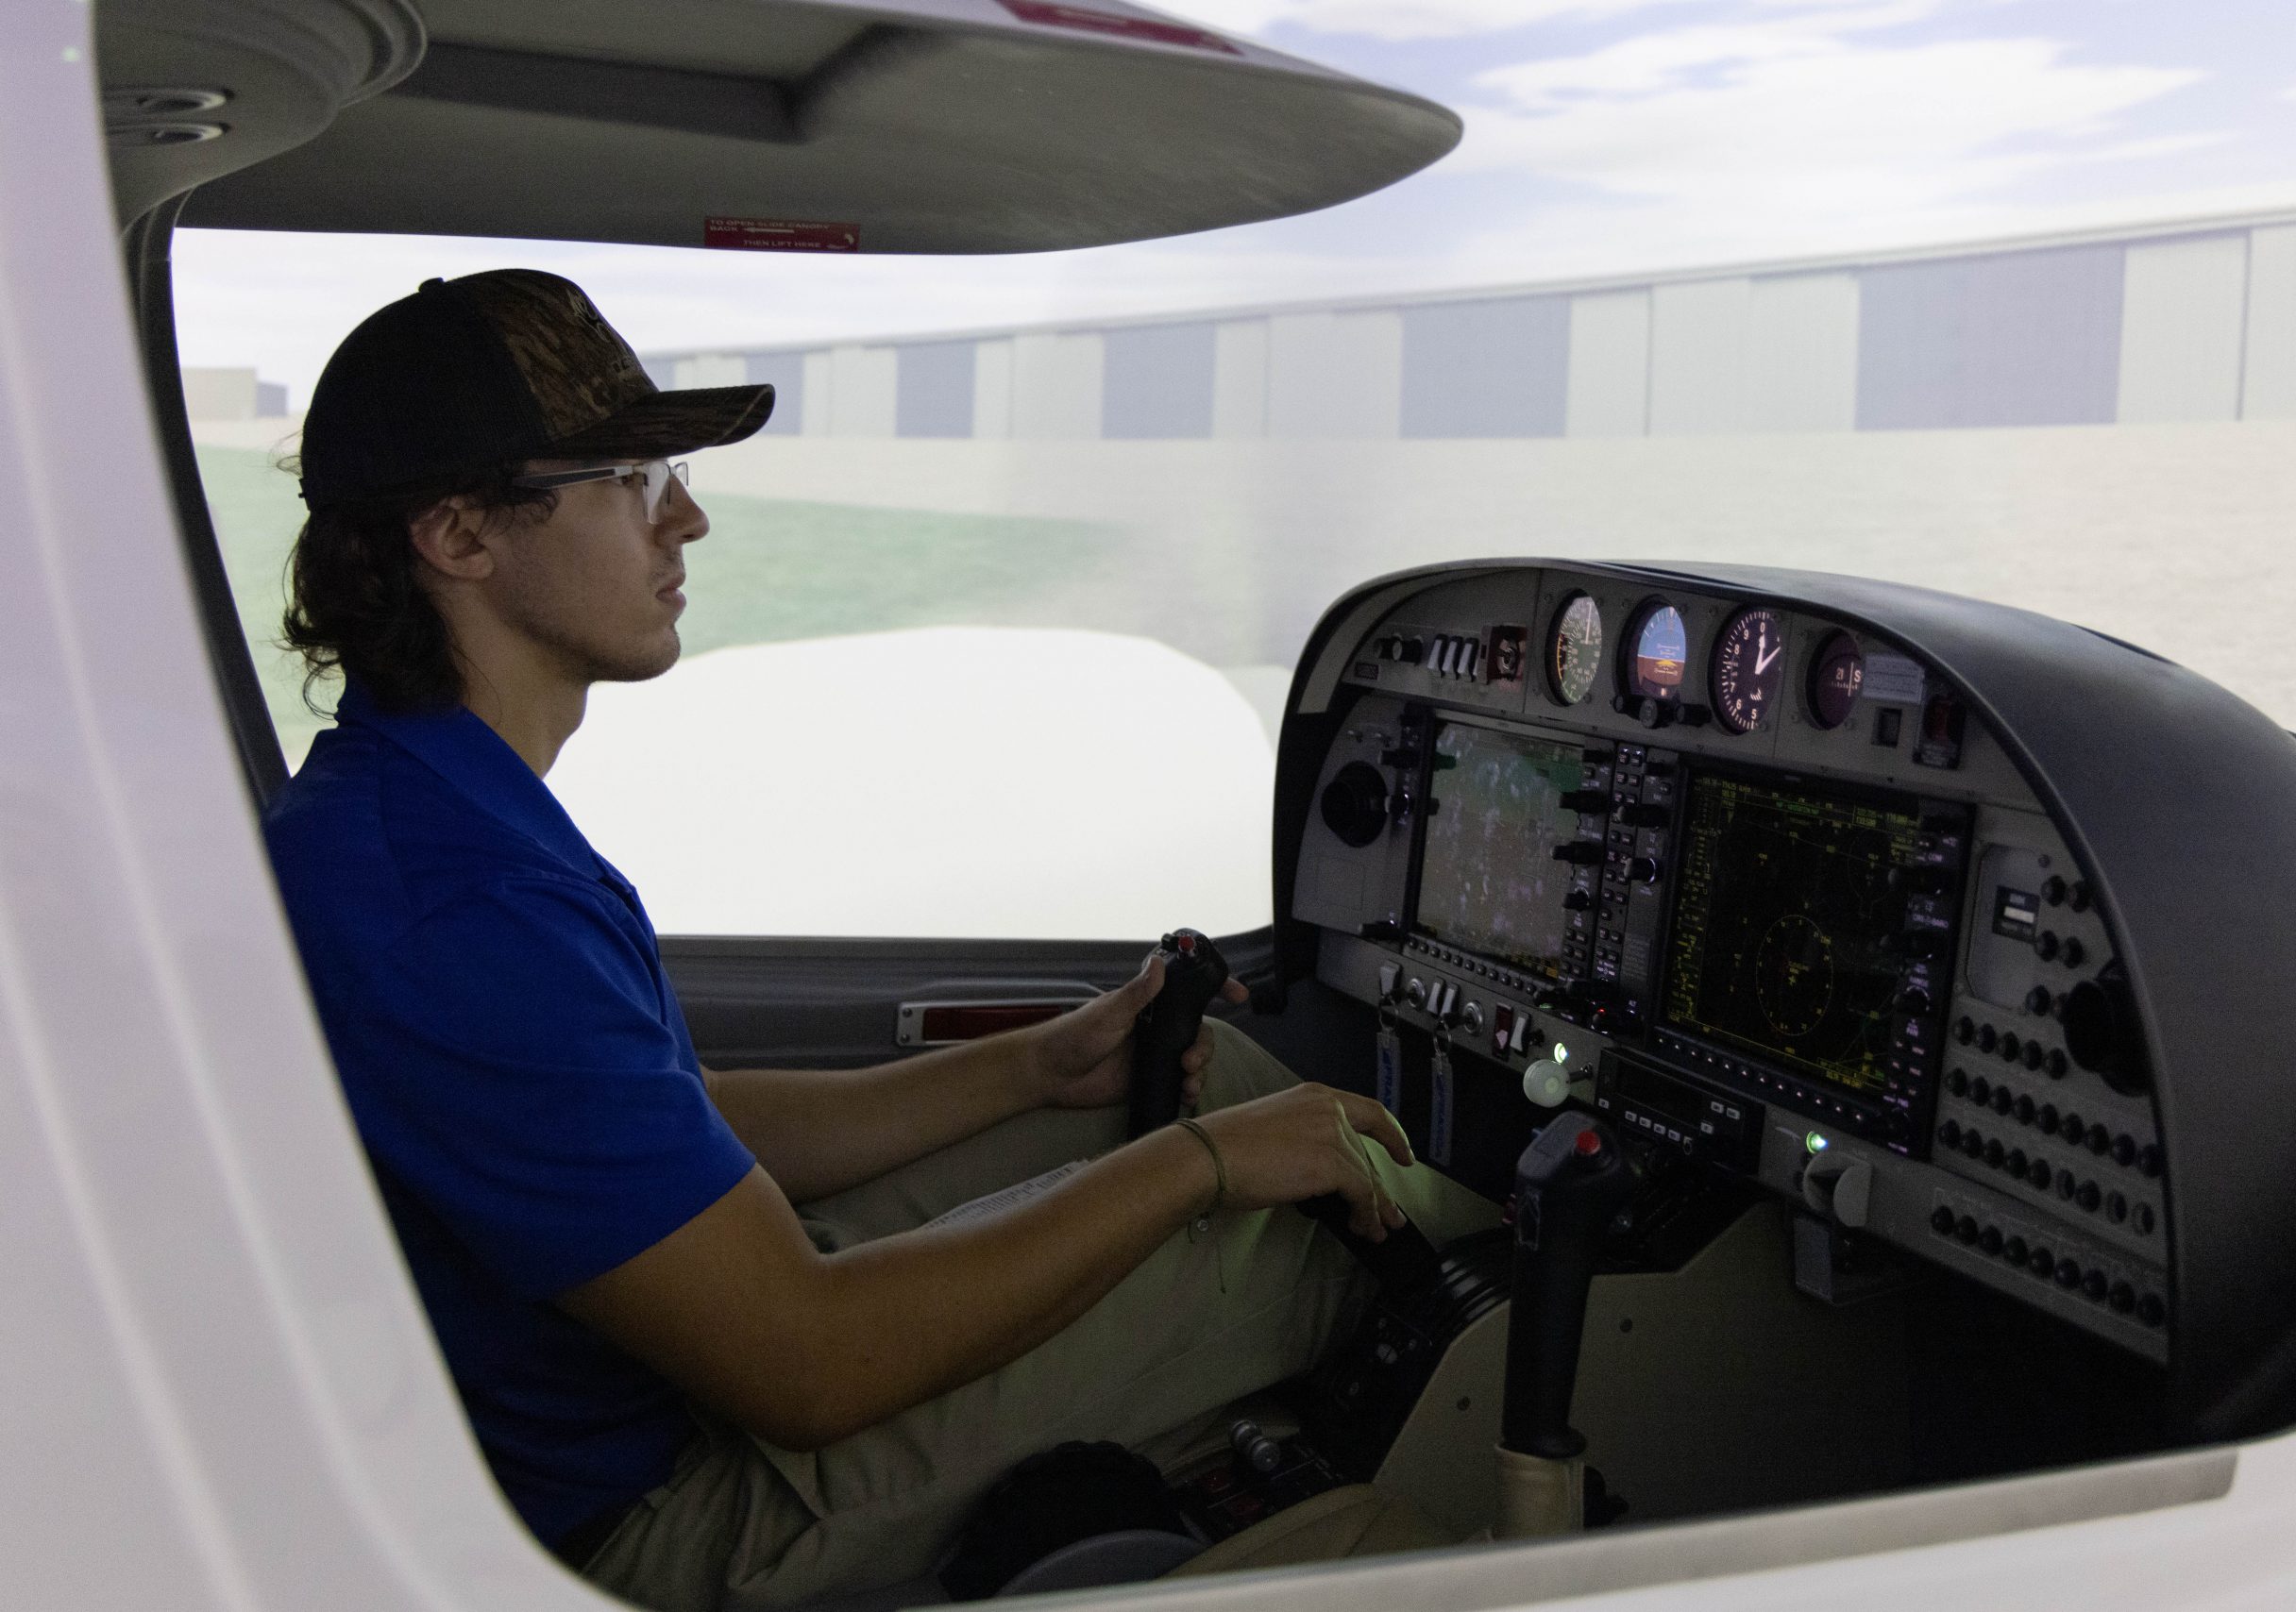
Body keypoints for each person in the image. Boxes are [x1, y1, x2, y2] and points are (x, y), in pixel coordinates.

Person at [264, 270, 1480, 1611]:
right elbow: (806, 1365)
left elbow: (685, 1121)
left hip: (632, 1389)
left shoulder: (416, 807)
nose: (691, 517)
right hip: (649, 1520)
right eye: (628, 478)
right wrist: (1197, 1170)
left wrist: (1033, 1069)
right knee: (1300, 1238)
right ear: (459, 535)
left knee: (1245, 1084)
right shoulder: (458, 908)